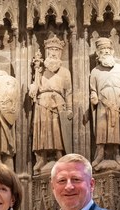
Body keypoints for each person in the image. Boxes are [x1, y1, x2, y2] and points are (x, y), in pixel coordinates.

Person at [29, 36, 73, 174]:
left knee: (56, 131)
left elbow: (69, 91)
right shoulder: (40, 70)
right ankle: (42, 158)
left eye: (56, 50)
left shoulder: (65, 72)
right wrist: (33, 87)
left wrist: (70, 108)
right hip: (42, 104)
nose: (53, 53)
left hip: (57, 104)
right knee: (43, 131)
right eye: (51, 50)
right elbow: (35, 89)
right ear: (46, 51)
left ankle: (59, 156)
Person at [89, 37, 120, 171]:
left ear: (112, 51)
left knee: (117, 130)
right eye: (103, 49)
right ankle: (100, 154)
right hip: (103, 103)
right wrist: (94, 96)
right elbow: (93, 89)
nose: (106, 51)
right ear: (98, 53)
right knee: (102, 129)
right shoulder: (95, 71)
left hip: (118, 103)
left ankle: (117, 154)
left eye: (108, 49)